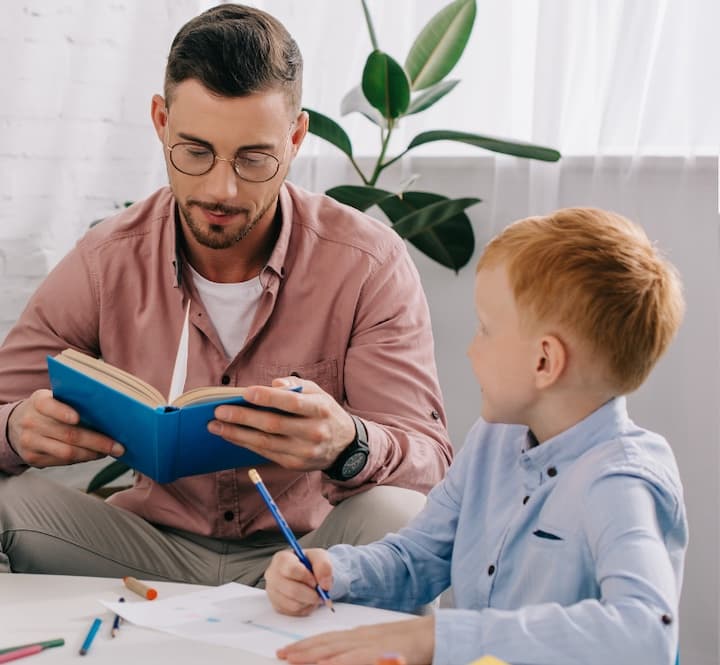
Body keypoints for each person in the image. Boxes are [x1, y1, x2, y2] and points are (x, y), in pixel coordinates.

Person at [0, 4, 453, 584]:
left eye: (254, 158)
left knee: (402, 514)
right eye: (195, 151)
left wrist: (349, 443)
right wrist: (18, 430)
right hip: (146, 551)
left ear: (294, 138)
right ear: (161, 121)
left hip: (307, 554)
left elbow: (430, 465)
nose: (221, 187)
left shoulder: (367, 263)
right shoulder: (105, 259)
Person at [265, 207, 688, 665]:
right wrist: (336, 572)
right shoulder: (495, 439)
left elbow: (646, 634)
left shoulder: (620, 480)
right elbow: (418, 557)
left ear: (544, 361)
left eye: (486, 329)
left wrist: (437, 639)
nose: (471, 348)